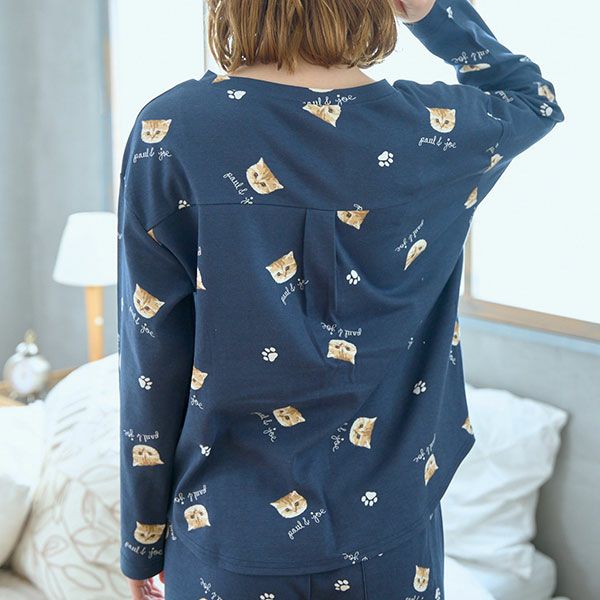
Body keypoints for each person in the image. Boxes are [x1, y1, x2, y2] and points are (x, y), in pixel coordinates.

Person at [116, 0, 564, 598]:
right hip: (394, 539)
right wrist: (435, 13)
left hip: (230, 535)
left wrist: (143, 540)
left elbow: (151, 355)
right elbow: (533, 99)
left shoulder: (172, 130)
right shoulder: (433, 130)